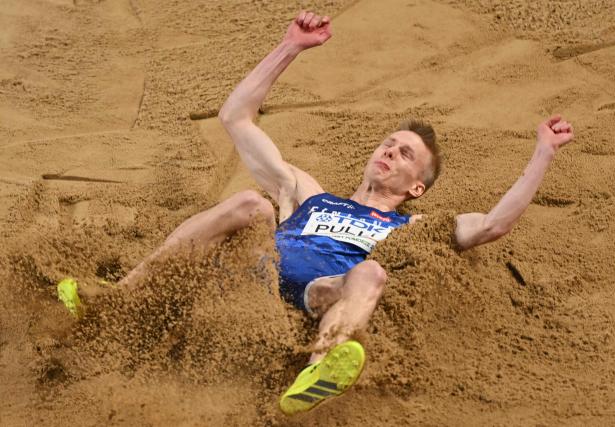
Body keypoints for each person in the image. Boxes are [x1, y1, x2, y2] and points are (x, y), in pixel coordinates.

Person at [58, 11, 574, 415]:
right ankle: (115, 299)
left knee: (371, 271)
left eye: (405, 153)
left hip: (315, 296)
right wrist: (291, 47)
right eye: (389, 143)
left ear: (417, 187)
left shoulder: (413, 228)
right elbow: (235, 117)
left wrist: (543, 153)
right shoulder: (308, 194)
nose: (390, 151)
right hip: (253, 272)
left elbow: (494, 225)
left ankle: (318, 370)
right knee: (247, 202)